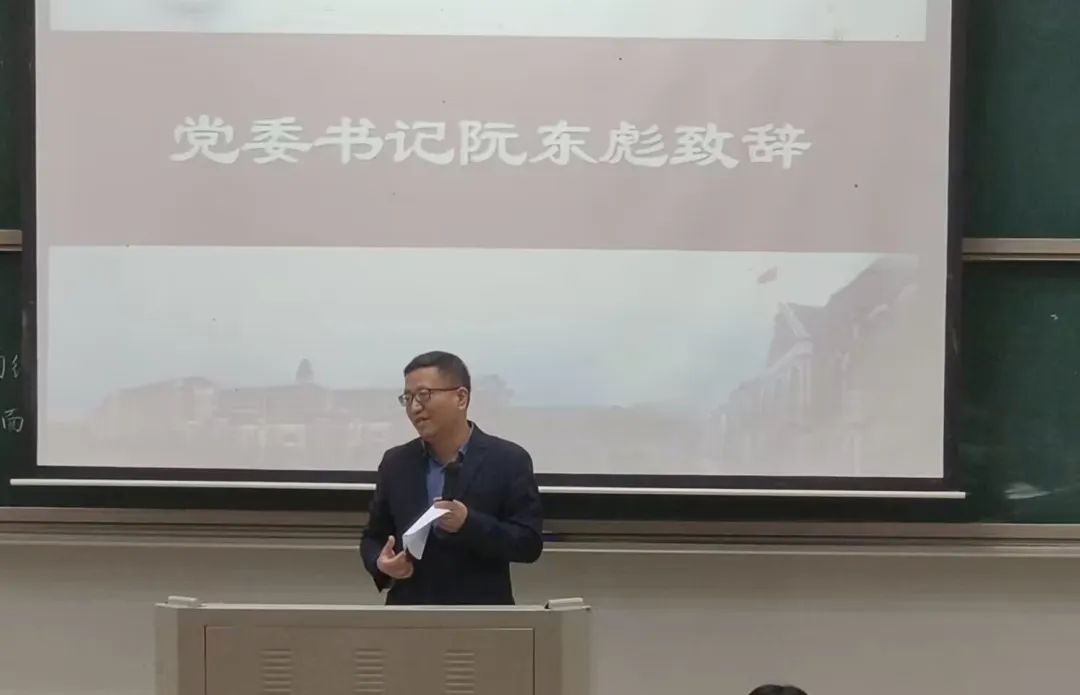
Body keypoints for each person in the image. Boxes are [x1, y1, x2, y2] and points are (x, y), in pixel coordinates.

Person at [360, 351, 543, 604]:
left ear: (461, 397)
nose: (414, 407)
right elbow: (373, 536)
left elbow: (528, 543)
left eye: (424, 395)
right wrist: (381, 563)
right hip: (408, 613)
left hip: (483, 615)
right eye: (408, 398)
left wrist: (469, 523)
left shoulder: (508, 460)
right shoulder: (396, 463)